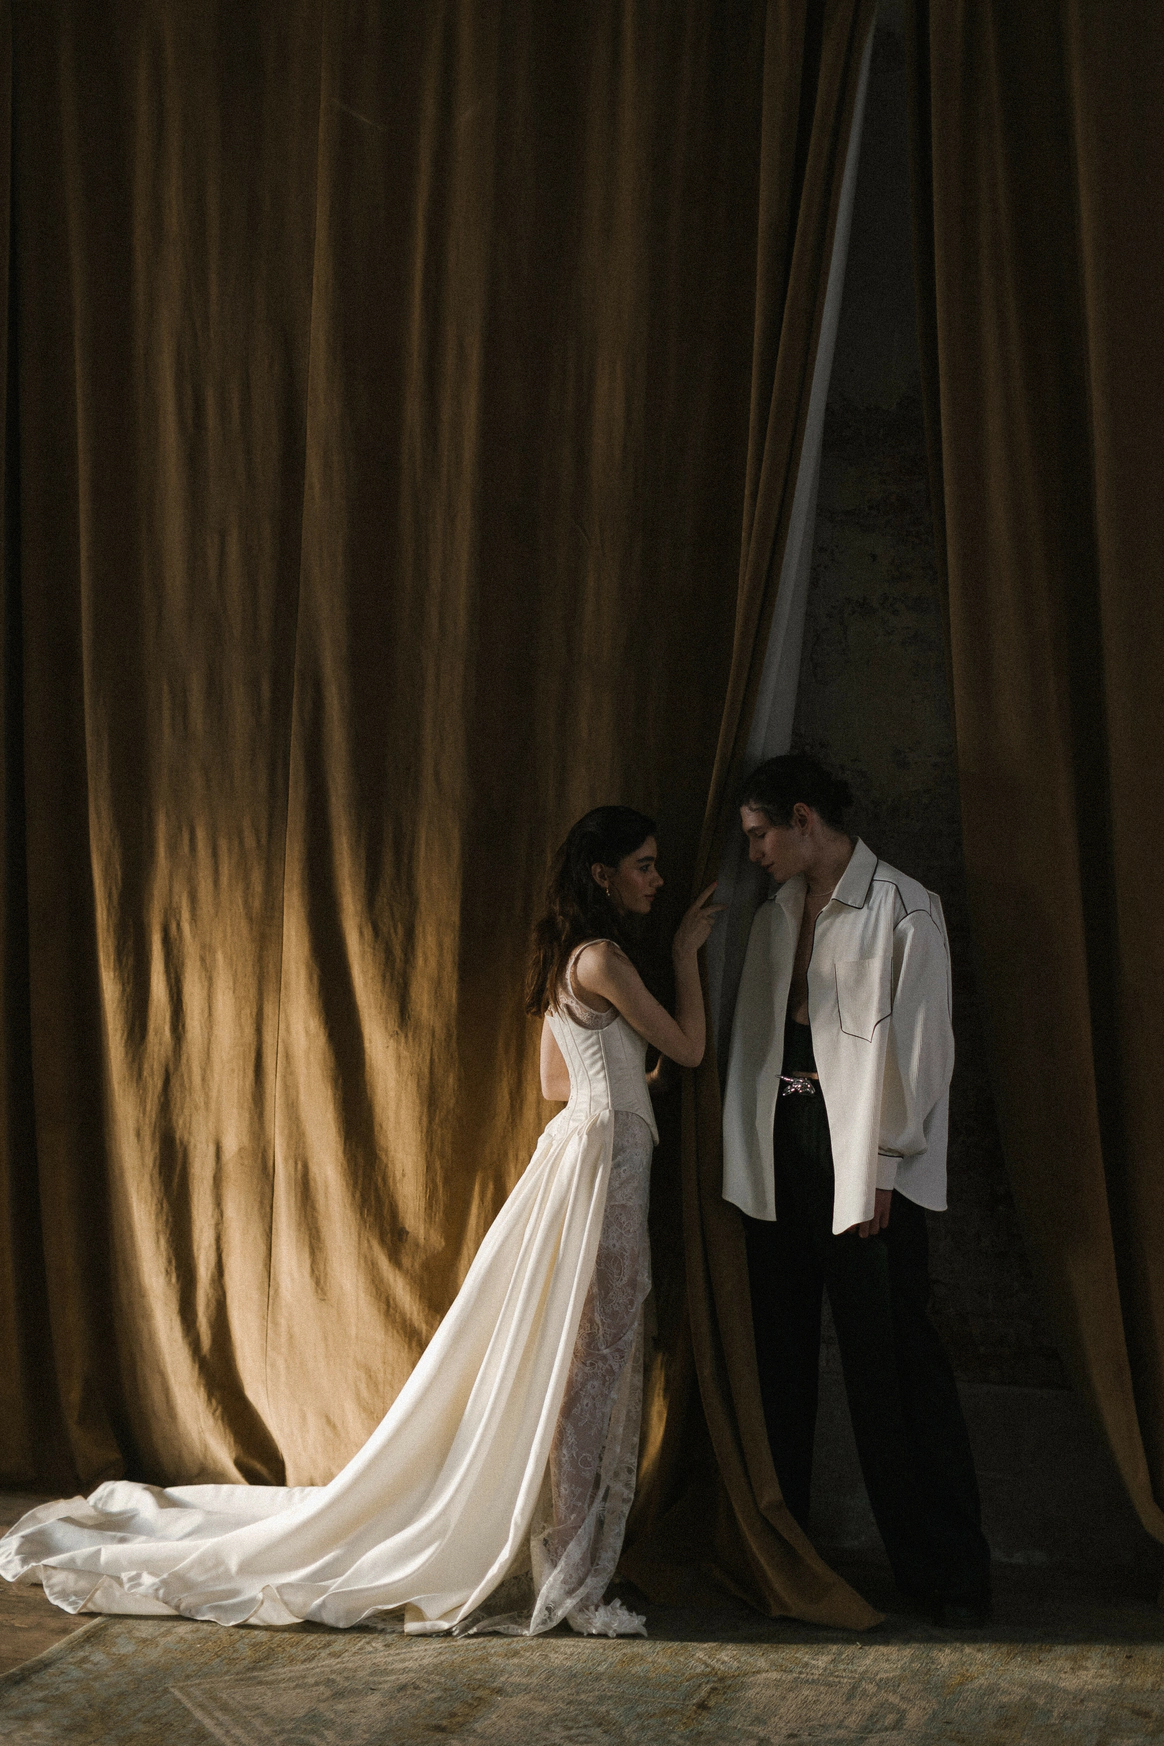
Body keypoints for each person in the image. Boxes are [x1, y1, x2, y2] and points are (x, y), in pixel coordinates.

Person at [0, 807, 720, 1639]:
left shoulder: (573, 958)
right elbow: (690, 1049)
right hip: (603, 1167)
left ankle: (566, 1556)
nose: (657, 879)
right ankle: (570, 1571)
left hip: (582, 1154)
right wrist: (685, 958)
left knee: (583, 1359)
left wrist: (628, 1083)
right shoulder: (605, 958)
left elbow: (557, 1085)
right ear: (604, 874)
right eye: (644, 865)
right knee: (591, 1365)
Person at [721, 754, 992, 1625]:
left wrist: (879, 1167)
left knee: (894, 1368)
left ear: (803, 819)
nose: (754, 854)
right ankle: (790, 1562)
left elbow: (924, 1058)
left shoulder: (904, 907)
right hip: (782, 1148)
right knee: (780, 1356)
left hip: (864, 1157)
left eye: (760, 835)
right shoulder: (775, 914)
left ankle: (947, 1575)